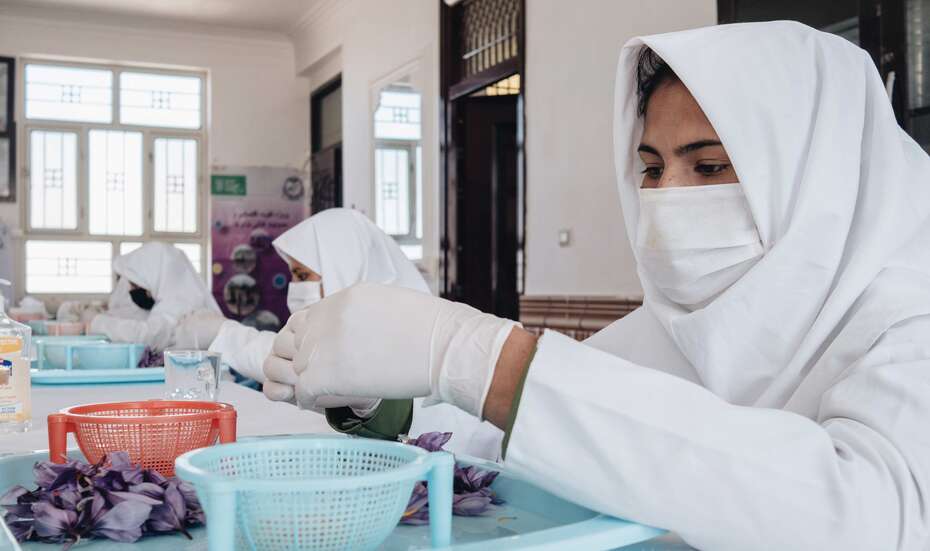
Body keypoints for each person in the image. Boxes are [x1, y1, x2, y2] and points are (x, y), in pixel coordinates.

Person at [262, 22, 930, 550]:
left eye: (708, 165)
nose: (666, 199)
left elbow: (873, 516)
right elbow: (523, 435)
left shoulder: (910, 308)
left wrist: (480, 354)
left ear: (815, 169)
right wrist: (391, 398)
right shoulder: (679, 325)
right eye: (652, 168)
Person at [183, 208, 506, 457]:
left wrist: (224, 334)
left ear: (344, 267)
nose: (296, 288)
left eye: (302, 274)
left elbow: (456, 432)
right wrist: (223, 334)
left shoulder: (409, 329)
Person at [89, 242, 220, 353]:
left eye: (135, 285)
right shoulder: (178, 296)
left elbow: (149, 337)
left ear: (154, 280)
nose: (131, 290)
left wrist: (96, 323)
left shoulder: (179, 304)